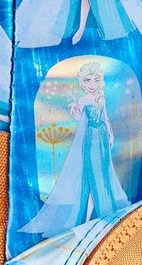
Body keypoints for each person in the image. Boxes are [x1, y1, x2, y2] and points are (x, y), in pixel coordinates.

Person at [20, 62, 129, 236]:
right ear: (82, 82)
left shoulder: (101, 98)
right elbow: (80, 120)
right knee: (90, 176)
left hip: (102, 138)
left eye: (96, 80)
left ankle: (99, 214)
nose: (92, 84)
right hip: (90, 139)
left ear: (100, 81)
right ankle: (87, 217)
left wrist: (110, 134)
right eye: (88, 80)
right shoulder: (83, 100)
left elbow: (105, 117)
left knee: (102, 175)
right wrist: (74, 111)